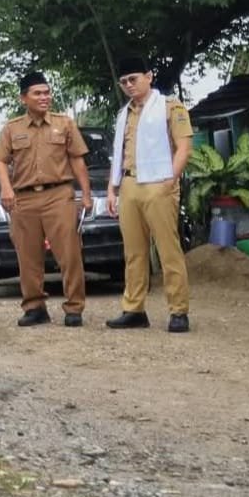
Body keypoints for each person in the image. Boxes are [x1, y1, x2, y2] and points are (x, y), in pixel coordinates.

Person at [0, 71, 90, 327]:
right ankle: (35, 307)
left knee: (69, 253)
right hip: (23, 199)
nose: (44, 97)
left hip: (59, 195)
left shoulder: (65, 123)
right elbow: (0, 160)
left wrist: (86, 195)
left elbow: (77, 160)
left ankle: (74, 307)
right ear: (24, 98)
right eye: (37, 93)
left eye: (47, 92)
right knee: (28, 256)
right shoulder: (12, 128)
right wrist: (6, 189)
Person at [103, 57, 194, 333]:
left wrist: (170, 180)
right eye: (124, 81)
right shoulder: (124, 114)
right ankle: (134, 309)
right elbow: (119, 154)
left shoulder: (169, 106)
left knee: (168, 249)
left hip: (159, 182)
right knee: (133, 252)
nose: (129, 85)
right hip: (129, 183)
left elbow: (184, 147)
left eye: (134, 79)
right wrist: (111, 188)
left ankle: (178, 310)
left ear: (149, 76)